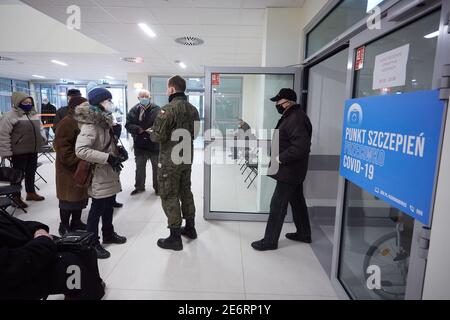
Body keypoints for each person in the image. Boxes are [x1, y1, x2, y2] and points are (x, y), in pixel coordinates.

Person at [252, 88, 313, 251]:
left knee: (277, 206)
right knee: (298, 203)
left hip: (289, 171)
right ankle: (304, 234)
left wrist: (280, 158)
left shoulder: (296, 118)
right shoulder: (292, 116)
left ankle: (270, 241)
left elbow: (300, 147)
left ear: (288, 102)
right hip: (293, 171)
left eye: (278, 101)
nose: (277, 104)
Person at [0, 211, 105, 300]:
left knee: (81, 246)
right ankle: (86, 288)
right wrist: (43, 241)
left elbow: (17, 223)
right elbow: (10, 266)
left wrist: (38, 229)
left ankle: (93, 286)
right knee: (73, 265)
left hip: (31, 250)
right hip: (19, 276)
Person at [75, 86, 127, 259]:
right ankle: (92, 243)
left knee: (108, 206)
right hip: (99, 173)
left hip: (109, 172)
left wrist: (118, 152)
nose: (111, 103)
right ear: (99, 103)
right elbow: (81, 150)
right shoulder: (91, 126)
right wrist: (108, 158)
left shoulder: (105, 122)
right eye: (108, 100)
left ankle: (108, 233)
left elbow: (106, 144)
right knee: (97, 208)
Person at [149, 75, 200, 251]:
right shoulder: (193, 109)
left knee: (169, 194)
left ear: (171, 89)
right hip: (186, 158)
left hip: (170, 161)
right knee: (186, 190)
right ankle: (191, 228)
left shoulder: (166, 110)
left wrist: (152, 131)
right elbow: (195, 133)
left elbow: (157, 137)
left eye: (166, 88)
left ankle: (174, 237)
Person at [0, 92, 46, 208]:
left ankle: (31, 193)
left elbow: (40, 128)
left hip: (33, 149)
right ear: (18, 102)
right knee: (17, 175)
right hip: (19, 151)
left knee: (31, 171)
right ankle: (15, 197)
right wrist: (6, 152)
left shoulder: (33, 114)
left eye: (30, 102)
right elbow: (3, 134)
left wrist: (43, 137)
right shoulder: (10, 116)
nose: (28, 104)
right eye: (25, 102)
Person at [53, 96, 90, 236]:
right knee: (67, 198)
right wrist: (74, 160)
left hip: (81, 165)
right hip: (68, 168)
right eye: (84, 105)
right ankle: (64, 225)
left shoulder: (81, 120)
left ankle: (76, 221)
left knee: (79, 196)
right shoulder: (67, 122)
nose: (87, 107)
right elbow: (62, 146)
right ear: (75, 107)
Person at [125, 89, 161, 196]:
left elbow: (161, 124)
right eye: (142, 96)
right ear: (138, 98)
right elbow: (128, 124)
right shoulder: (133, 110)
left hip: (154, 144)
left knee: (157, 169)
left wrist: (153, 129)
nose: (144, 98)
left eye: (146, 96)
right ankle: (139, 187)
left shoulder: (157, 109)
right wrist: (137, 129)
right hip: (140, 144)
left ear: (150, 97)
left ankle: (158, 188)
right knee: (140, 168)